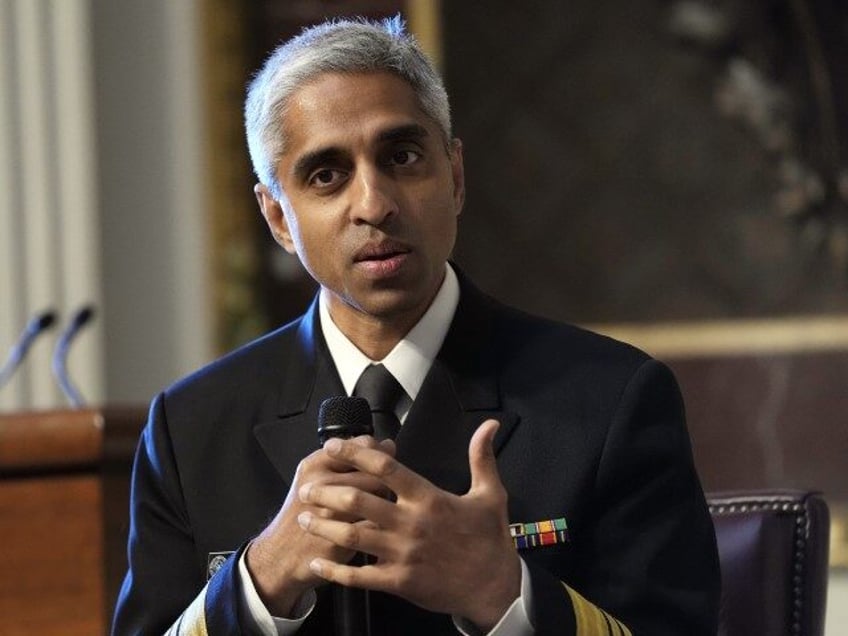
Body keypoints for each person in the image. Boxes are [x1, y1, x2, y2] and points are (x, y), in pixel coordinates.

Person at [112, 15, 720, 636]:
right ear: (277, 217)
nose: (374, 204)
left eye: (401, 157)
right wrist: (260, 580)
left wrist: (503, 594)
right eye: (327, 175)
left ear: (454, 176)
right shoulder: (191, 428)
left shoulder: (611, 398)